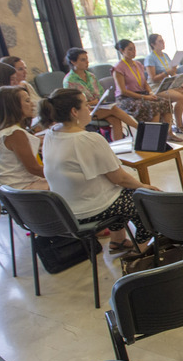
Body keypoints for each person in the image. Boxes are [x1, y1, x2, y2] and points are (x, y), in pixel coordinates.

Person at [40, 88, 157, 254]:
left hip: (65, 209)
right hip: (89, 210)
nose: (90, 109)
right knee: (146, 201)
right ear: (74, 112)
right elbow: (119, 178)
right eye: (86, 105)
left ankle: (118, 241)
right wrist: (144, 186)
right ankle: (140, 254)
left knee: (120, 193)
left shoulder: (51, 134)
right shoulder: (88, 139)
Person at [112, 39, 180, 142]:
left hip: (142, 94)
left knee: (165, 102)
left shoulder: (138, 64)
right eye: (130, 49)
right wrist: (144, 97)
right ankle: (153, 138)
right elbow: (123, 91)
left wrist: (150, 92)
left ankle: (168, 133)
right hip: (127, 98)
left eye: (134, 49)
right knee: (152, 106)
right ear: (122, 50)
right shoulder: (118, 68)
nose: (133, 52)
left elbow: (144, 83)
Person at [63, 47, 138, 140]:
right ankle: (139, 128)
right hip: (84, 111)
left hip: (98, 106)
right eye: (83, 60)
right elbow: (73, 103)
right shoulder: (69, 81)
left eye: (87, 59)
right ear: (73, 62)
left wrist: (98, 101)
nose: (87, 62)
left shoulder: (91, 76)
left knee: (115, 120)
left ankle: (118, 146)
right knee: (114, 109)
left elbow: (101, 92)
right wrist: (90, 103)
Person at [0, 86, 47, 190]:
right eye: (27, 101)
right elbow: (34, 169)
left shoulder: (0, 130)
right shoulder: (15, 133)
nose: (32, 104)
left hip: (6, 187)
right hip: (20, 187)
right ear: (14, 106)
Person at [145, 33, 183, 134]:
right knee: (180, 97)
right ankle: (179, 125)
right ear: (152, 44)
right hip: (156, 87)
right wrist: (166, 72)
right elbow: (153, 78)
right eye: (160, 41)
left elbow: (172, 72)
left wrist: (178, 80)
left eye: (163, 40)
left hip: (168, 83)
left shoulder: (165, 55)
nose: (163, 43)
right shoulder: (150, 58)